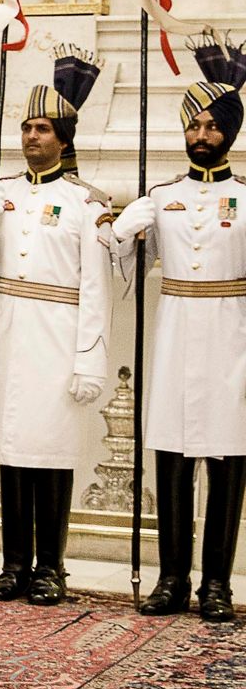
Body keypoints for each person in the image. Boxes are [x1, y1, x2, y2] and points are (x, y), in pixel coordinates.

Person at [0, 47, 112, 606]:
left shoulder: (85, 203)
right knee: (11, 450)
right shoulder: (2, 193)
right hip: (11, 335)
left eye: (43, 129)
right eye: (27, 128)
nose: (32, 137)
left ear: (63, 137)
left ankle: (51, 567)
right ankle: (13, 564)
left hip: (59, 339)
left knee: (51, 453)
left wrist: (89, 360)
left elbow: (97, 289)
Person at [109, 71, 246, 621]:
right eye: (193, 125)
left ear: (230, 132)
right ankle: (171, 578)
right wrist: (121, 232)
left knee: (227, 460)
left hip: (231, 339)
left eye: (212, 126)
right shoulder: (162, 198)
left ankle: (216, 583)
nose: (201, 135)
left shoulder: (245, 198)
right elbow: (119, 258)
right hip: (174, 334)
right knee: (170, 458)